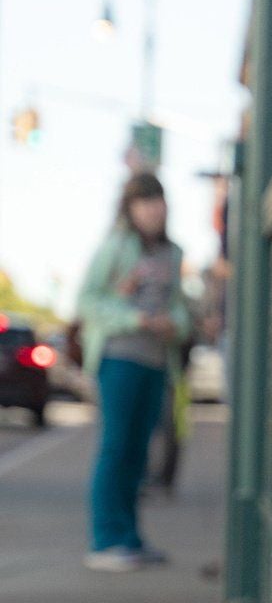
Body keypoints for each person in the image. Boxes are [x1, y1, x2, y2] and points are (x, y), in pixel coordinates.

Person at [76, 172, 192, 569]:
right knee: (116, 446)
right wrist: (135, 319)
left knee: (139, 454)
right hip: (118, 357)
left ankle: (129, 537)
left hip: (157, 362)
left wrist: (175, 322)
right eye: (144, 202)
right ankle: (105, 540)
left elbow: (179, 305)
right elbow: (87, 301)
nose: (153, 209)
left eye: (158, 201)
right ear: (130, 209)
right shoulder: (115, 247)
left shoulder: (172, 253)